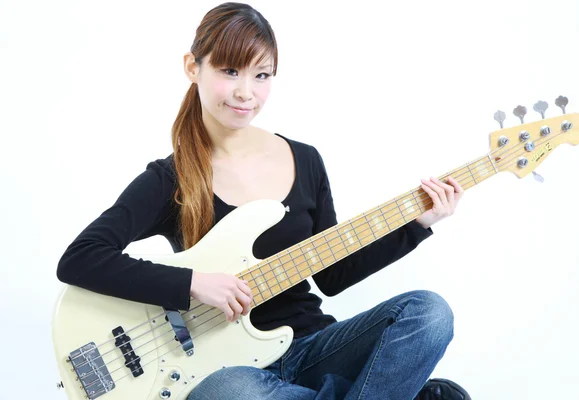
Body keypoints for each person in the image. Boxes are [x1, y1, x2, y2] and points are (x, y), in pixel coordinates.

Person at [56, 2, 471, 399]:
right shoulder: (171, 178)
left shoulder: (304, 160)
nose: (245, 92)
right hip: (229, 371)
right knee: (225, 394)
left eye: (262, 75)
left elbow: (332, 277)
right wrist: (194, 285)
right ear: (192, 67)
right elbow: (81, 258)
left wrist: (417, 224)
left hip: (313, 347)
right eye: (230, 70)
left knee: (429, 313)